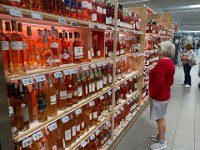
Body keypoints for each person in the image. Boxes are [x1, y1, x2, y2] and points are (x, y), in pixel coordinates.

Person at [149, 41, 175, 150]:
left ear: (165, 50)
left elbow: (159, 83)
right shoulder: (170, 63)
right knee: (160, 117)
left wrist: (153, 94)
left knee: (160, 119)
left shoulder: (163, 63)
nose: (158, 50)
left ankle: (162, 141)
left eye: (160, 48)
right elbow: (171, 81)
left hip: (159, 96)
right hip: (165, 94)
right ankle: (159, 136)